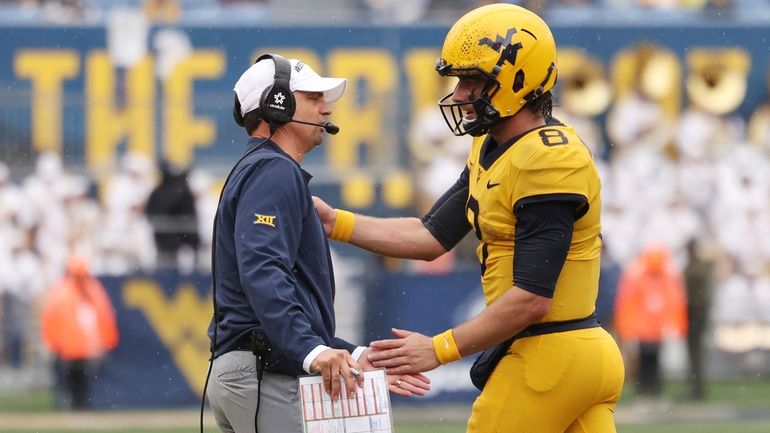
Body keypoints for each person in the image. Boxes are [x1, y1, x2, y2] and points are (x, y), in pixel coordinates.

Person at [314, 4, 625, 432]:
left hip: (552, 355)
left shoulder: (549, 160)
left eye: (473, 80)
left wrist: (439, 349)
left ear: (519, 79)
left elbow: (533, 298)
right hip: (566, 355)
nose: (459, 94)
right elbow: (430, 235)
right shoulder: (494, 148)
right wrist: (336, 224)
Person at [205, 54, 429, 433]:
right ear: (279, 103)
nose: (326, 108)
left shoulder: (263, 168)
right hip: (263, 373)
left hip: (255, 369)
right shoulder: (274, 169)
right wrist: (312, 351)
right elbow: (263, 269)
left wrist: (352, 354)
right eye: (313, 98)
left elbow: (270, 286)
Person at [40, 255, 119, 409]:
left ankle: (80, 404)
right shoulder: (64, 292)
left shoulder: (89, 291)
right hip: (69, 347)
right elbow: (52, 319)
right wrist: (53, 342)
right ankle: (70, 404)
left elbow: (104, 317)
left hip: (84, 347)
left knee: (82, 381)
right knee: (70, 381)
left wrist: (106, 341)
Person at [614, 243, 687, 397]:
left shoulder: (666, 277)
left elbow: (673, 304)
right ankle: (645, 389)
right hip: (645, 328)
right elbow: (629, 303)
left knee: (654, 360)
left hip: (655, 328)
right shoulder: (638, 277)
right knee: (645, 360)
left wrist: (672, 325)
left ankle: (653, 389)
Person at [683, 237, 714, 400]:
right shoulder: (700, 266)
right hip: (696, 312)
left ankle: (697, 389)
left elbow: (696, 295)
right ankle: (696, 388)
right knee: (695, 352)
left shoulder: (696, 268)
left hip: (696, 313)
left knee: (695, 352)